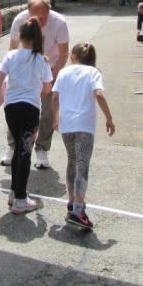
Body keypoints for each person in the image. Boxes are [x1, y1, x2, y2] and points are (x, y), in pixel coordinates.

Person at [0, 16, 52, 215]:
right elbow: (47, 89)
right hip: (30, 108)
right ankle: (20, 199)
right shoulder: (42, 60)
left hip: (11, 107)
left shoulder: (10, 56)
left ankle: (14, 192)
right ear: (37, 38)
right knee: (25, 151)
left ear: (20, 36)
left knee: (18, 148)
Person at [51, 43, 115, 230]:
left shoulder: (64, 73)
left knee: (72, 161)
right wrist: (109, 118)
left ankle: (72, 200)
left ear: (74, 55)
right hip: (84, 125)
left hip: (67, 124)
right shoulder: (93, 72)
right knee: (82, 164)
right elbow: (99, 94)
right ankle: (78, 209)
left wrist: (55, 118)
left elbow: (55, 97)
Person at [2, 0, 69, 169]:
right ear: (28, 12)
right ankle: (13, 146)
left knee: (46, 112)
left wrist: (52, 77)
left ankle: (42, 149)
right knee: (15, 108)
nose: (39, 20)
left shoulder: (59, 23)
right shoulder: (19, 20)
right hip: (25, 72)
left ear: (49, 10)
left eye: (43, 17)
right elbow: (12, 48)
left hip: (49, 69)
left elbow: (63, 55)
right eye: (35, 16)